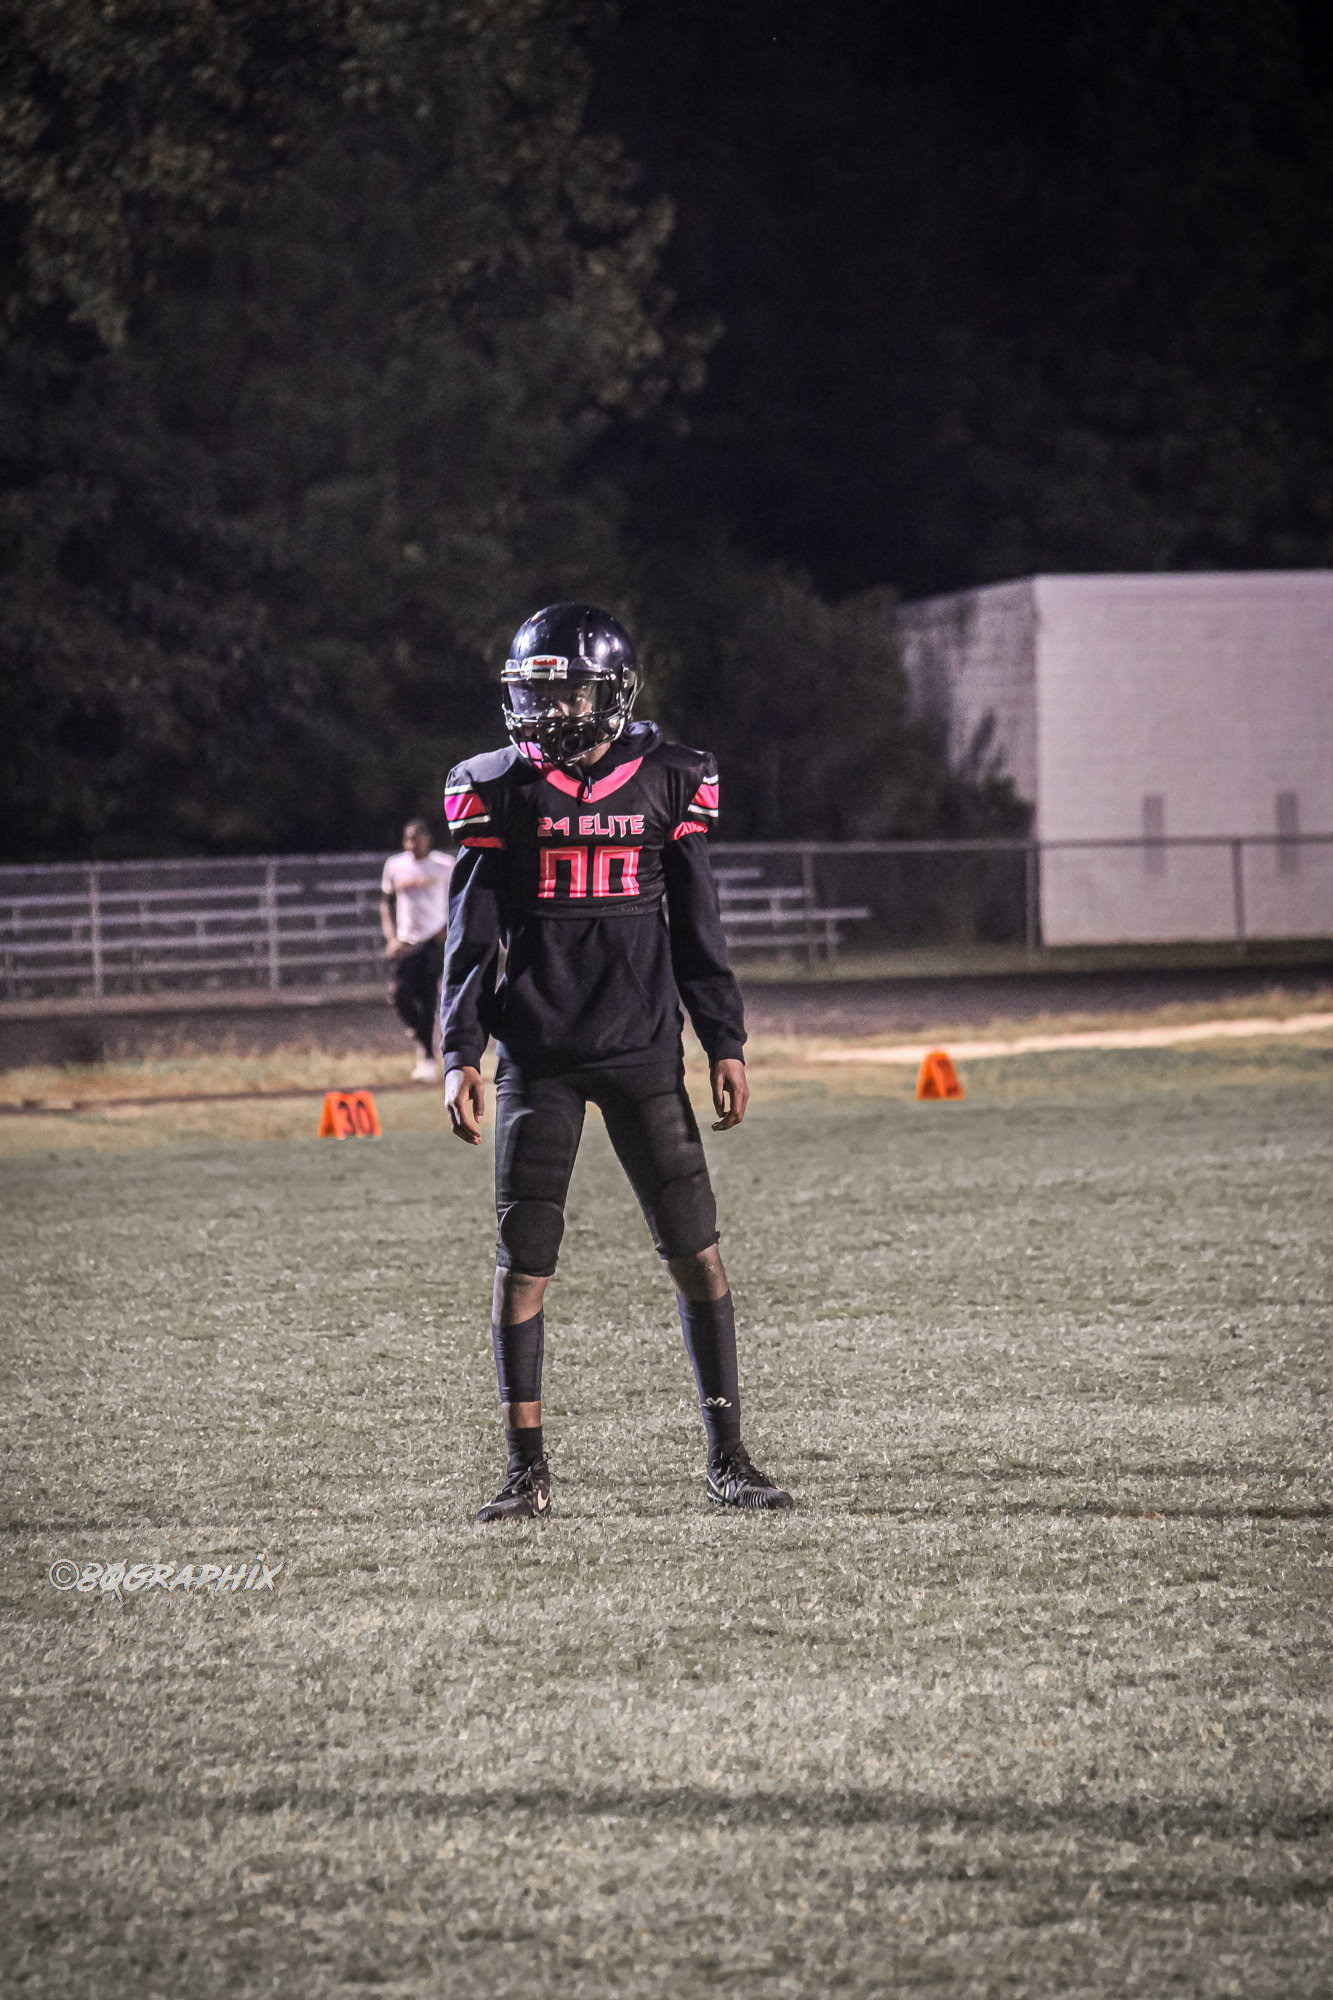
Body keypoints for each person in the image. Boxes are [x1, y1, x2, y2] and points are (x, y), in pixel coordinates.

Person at [440, 602, 793, 1521]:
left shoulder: (670, 779)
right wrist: (459, 1051)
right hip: (538, 1055)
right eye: (535, 695)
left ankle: (728, 1457)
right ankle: (525, 1471)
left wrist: (724, 1039)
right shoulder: (498, 786)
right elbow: (471, 936)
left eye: (565, 694)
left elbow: (699, 926)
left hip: (642, 1051)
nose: (546, 712)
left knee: (696, 1252)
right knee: (524, 1261)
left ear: (610, 693)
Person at [380, 819, 453, 1081]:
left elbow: (458, 899)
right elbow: (385, 903)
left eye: (417, 838)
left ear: (427, 839)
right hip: (407, 940)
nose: (412, 844)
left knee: (428, 997)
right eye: (408, 839)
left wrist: (447, 927)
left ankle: (428, 1059)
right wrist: (391, 937)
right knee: (399, 994)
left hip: (433, 939)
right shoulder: (395, 866)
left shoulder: (444, 865)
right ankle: (419, 1032)